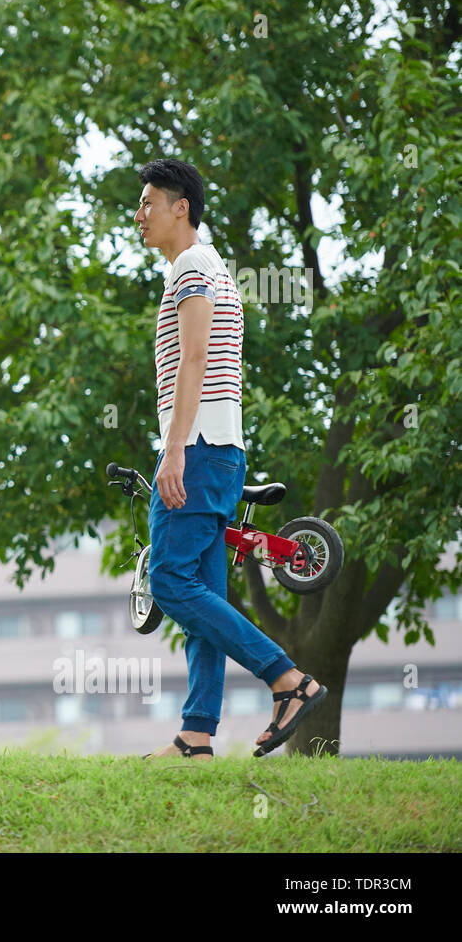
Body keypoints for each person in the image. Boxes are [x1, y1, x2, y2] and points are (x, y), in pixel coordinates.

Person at [135, 158, 326, 760]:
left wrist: (173, 451)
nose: (139, 216)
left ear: (179, 207)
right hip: (218, 451)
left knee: (167, 579)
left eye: (147, 203)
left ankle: (287, 680)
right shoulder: (208, 267)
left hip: (197, 450)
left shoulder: (193, 266)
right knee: (201, 593)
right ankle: (196, 734)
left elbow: (194, 359)